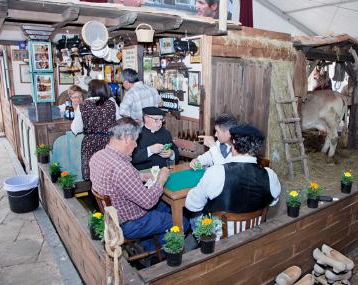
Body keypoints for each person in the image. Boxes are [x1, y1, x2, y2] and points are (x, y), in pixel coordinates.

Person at [89, 118, 188, 254]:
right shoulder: (123, 168)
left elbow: (115, 181)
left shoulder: (97, 156)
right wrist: (161, 179)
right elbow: (148, 202)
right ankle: (156, 253)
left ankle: (146, 244)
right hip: (131, 223)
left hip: (114, 217)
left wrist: (140, 176)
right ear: (127, 139)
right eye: (135, 140)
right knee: (181, 221)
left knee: (166, 205)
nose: (136, 145)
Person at [185, 124, 281, 237]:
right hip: (254, 233)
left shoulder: (216, 172)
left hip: (222, 239)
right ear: (257, 148)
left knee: (194, 217)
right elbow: (273, 202)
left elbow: (191, 205)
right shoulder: (270, 175)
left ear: (233, 142)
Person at [72, 79, 121, 180]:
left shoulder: (83, 105)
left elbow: (75, 129)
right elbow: (119, 123)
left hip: (90, 144)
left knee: (93, 176)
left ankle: (95, 195)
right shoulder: (112, 103)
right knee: (109, 175)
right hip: (109, 144)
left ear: (90, 90)